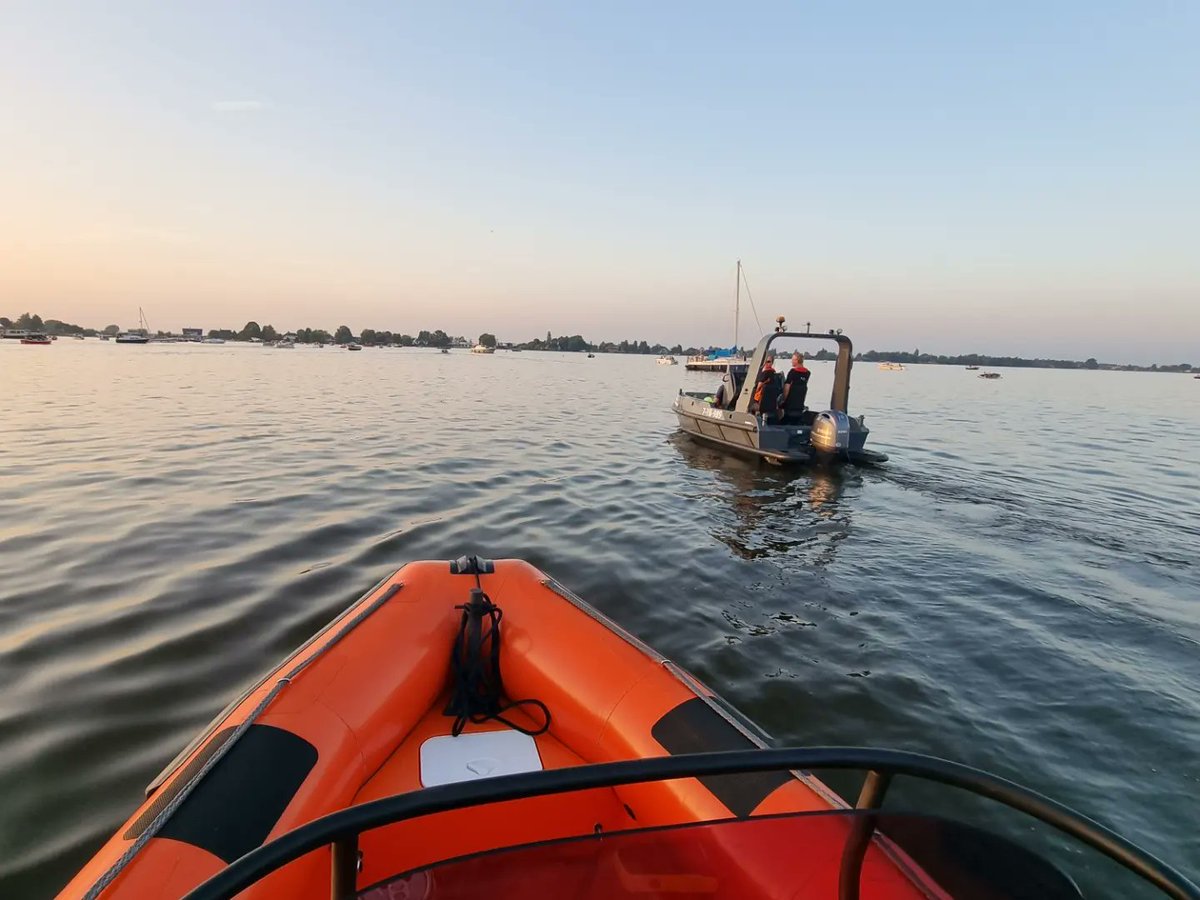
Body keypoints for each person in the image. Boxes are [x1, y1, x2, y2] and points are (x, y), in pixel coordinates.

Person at [751, 353, 783, 420]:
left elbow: (758, 388)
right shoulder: (775, 375)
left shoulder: (764, 373)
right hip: (772, 406)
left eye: (769, 362)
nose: (767, 363)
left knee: (751, 405)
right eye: (766, 361)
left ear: (772, 363)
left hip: (761, 405)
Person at [781, 352, 811, 423]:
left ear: (797, 361)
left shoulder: (792, 372)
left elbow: (786, 387)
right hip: (800, 405)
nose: (791, 361)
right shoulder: (807, 373)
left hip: (790, 405)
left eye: (792, 359)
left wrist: (783, 400)